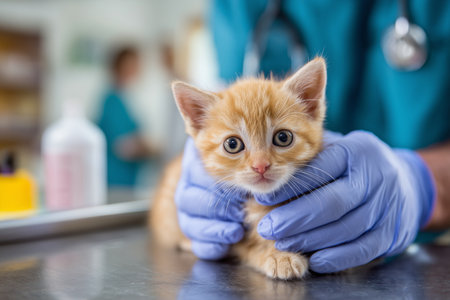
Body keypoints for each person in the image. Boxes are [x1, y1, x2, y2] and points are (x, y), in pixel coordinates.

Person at [173, 0, 450, 273]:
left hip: (429, 252)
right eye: (234, 145)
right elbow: (231, 100)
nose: (260, 163)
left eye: (282, 138)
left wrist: (422, 185)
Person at [97, 46, 156, 187]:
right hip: (115, 178)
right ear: (119, 67)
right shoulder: (112, 101)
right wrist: (148, 148)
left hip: (128, 178)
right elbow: (121, 146)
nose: (137, 68)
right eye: (132, 64)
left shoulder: (127, 97)